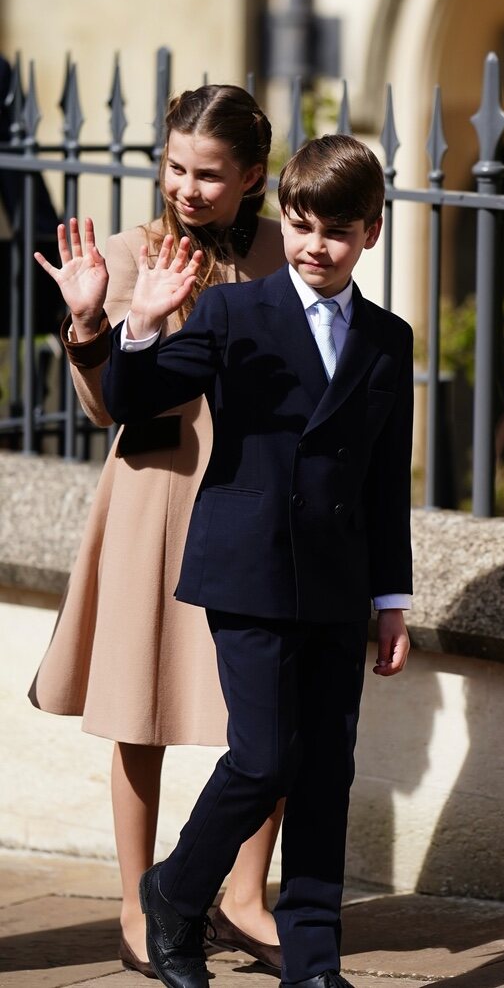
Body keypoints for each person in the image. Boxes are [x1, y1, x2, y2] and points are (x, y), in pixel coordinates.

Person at [101, 133, 414, 988]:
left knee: (324, 773)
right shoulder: (234, 312)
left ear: (371, 234)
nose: (316, 246)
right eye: (303, 226)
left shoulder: (389, 340)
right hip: (247, 568)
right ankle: (175, 891)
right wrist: (136, 323)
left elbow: (387, 481)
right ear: (286, 220)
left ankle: (311, 961)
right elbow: (135, 400)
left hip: (339, 583)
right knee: (265, 757)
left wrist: (392, 600)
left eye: (338, 232)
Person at [29, 84, 287, 974]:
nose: (187, 187)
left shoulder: (282, 248)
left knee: (271, 712)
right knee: (142, 711)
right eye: (175, 166)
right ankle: (138, 905)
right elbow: (108, 409)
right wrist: (97, 321)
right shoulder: (133, 252)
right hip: (158, 497)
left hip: (256, 499)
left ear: (252, 176)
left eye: (209, 174)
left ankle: (246, 894)